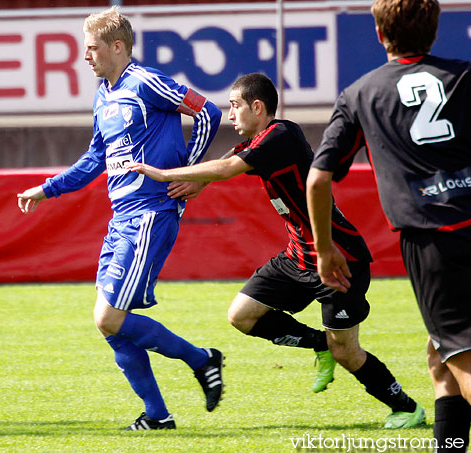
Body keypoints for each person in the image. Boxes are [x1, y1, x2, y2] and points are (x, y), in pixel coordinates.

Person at [130, 72, 425, 428]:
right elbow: (233, 157)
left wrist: (164, 174)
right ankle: (319, 343)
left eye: (236, 106)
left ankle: (407, 408)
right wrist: (200, 181)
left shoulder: (281, 135)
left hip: (338, 259)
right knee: (241, 315)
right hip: (298, 257)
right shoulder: (262, 139)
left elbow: (227, 167)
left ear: (258, 107)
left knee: (346, 351)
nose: (230, 114)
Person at [16, 6, 224, 431]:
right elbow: (95, 158)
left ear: (117, 46)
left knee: (109, 317)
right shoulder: (104, 95)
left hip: (150, 214)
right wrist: (46, 188)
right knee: (110, 325)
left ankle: (201, 360)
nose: (85, 56)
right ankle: (158, 416)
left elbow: (207, 111)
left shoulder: (145, 82)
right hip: (121, 220)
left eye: (91, 48)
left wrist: (188, 174)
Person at [306, 0, 471, 449]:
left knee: (460, 356)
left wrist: (324, 249)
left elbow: (318, 179)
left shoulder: (361, 93)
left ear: (379, 33)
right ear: (435, 30)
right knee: (441, 360)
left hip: (436, 241)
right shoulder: (464, 75)